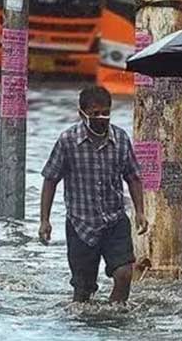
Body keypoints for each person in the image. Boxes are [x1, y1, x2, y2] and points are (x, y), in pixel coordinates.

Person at [39, 85, 148, 304]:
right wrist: (44, 220)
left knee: (124, 274)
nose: (101, 118)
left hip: (115, 220)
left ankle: (114, 317)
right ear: (82, 114)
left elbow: (133, 177)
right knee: (83, 290)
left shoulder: (121, 139)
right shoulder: (68, 141)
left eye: (105, 112)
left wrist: (140, 212)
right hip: (81, 224)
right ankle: (85, 324)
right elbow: (50, 179)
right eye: (95, 113)